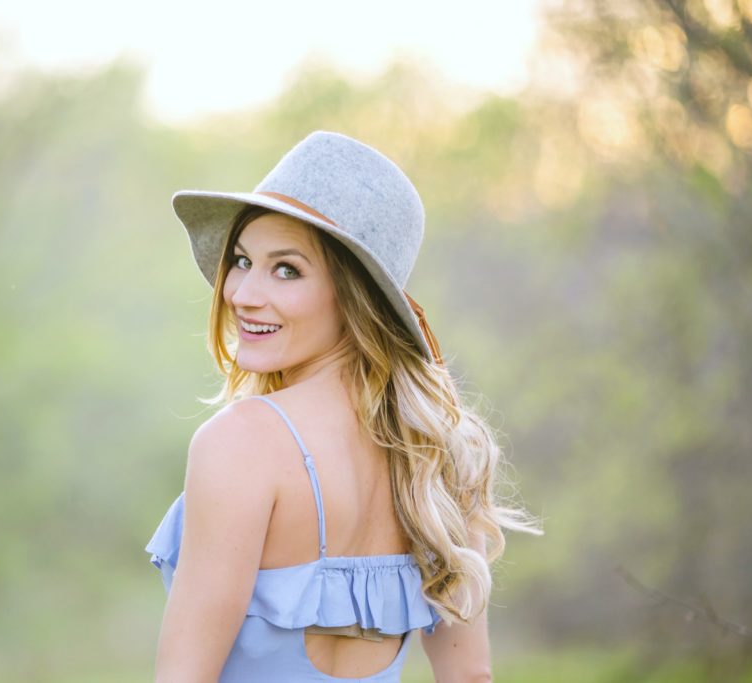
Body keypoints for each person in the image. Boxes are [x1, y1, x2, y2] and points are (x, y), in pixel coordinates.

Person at [146, 131, 540, 682]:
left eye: (287, 269)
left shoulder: (242, 441)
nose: (241, 294)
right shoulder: (443, 452)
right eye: (242, 260)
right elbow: (470, 676)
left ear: (355, 295)